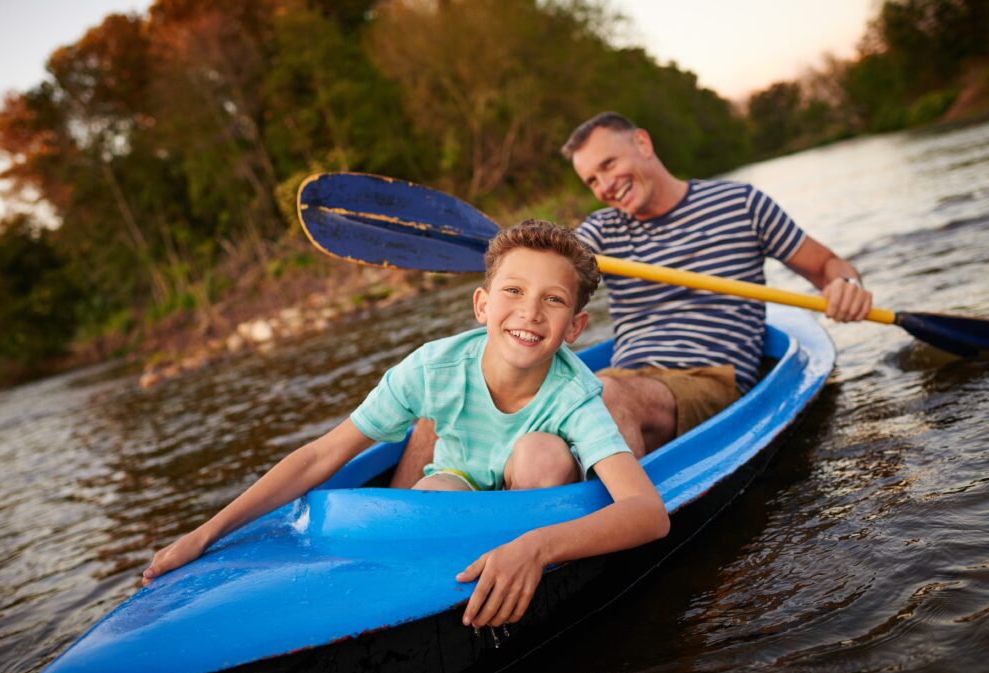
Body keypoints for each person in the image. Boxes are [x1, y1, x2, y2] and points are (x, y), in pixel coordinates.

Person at [143, 220, 670, 629]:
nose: (529, 312)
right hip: (461, 480)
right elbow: (322, 456)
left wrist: (538, 546)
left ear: (576, 327)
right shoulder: (430, 369)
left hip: (537, 498)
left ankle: (518, 573)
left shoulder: (577, 396)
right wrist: (205, 533)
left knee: (540, 453)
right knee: (425, 500)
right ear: (482, 305)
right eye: (513, 292)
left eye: (552, 300)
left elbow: (647, 513)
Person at [389, 112, 872, 487]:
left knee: (609, 397)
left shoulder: (741, 205)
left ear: (642, 143)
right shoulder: (599, 232)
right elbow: (542, 269)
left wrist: (844, 286)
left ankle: (596, 528)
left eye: (608, 164)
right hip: (622, 374)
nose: (604, 185)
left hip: (708, 379)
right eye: (591, 181)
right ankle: (398, 523)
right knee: (455, 385)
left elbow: (829, 266)